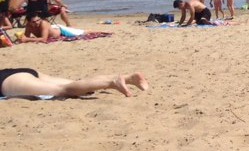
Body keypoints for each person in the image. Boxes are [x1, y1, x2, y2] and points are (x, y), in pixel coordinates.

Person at [0, 67, 148, 98]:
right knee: (75, 84)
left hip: (10, 81)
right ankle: (130, 78)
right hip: (23, 71)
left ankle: (113, 82)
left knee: (63, 90)